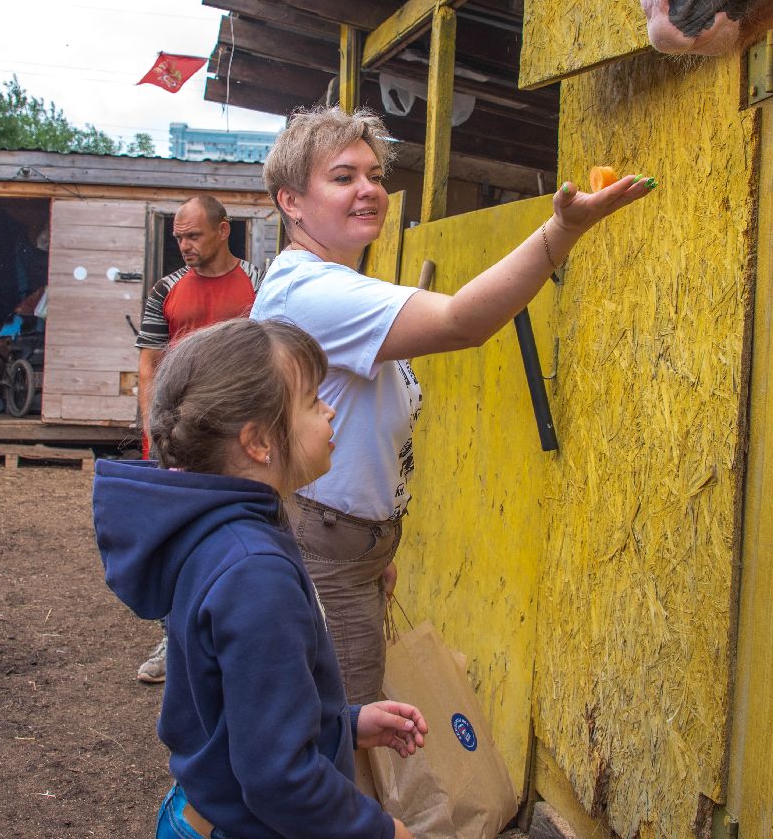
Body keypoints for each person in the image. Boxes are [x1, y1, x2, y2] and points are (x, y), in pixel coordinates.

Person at [254, 106, 654, 704]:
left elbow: (363, 431)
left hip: (348, 544)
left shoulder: (332, 284)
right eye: (342, 177)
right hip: (323, 547)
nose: (369, 190)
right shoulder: (311, 290)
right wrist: (562, 231)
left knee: (342, 725)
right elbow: (463, 321)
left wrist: (376, 548)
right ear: (291, 202)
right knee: (333, 739)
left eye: (373, 175)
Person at [95, 318, 427, 839]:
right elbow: (279, 779)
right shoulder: (254, 570)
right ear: (257, 442)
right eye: (313, 400)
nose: (330, 410)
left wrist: (344, 724)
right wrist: (384, 832)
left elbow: (239, 705)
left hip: (203, 811)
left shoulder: (224, 533)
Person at [132, 194, 263, 684]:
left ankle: (236, 639)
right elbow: (150, 360)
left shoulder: (258, 282)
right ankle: (175, 636)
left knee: (240, 532)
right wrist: (151, 427)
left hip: (236, 435)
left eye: (193, 235)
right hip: (177, 435)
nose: (184, 245)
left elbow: (272, 351)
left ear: (223, 230)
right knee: (178, 537)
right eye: (179, 237)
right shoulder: (165, 289)